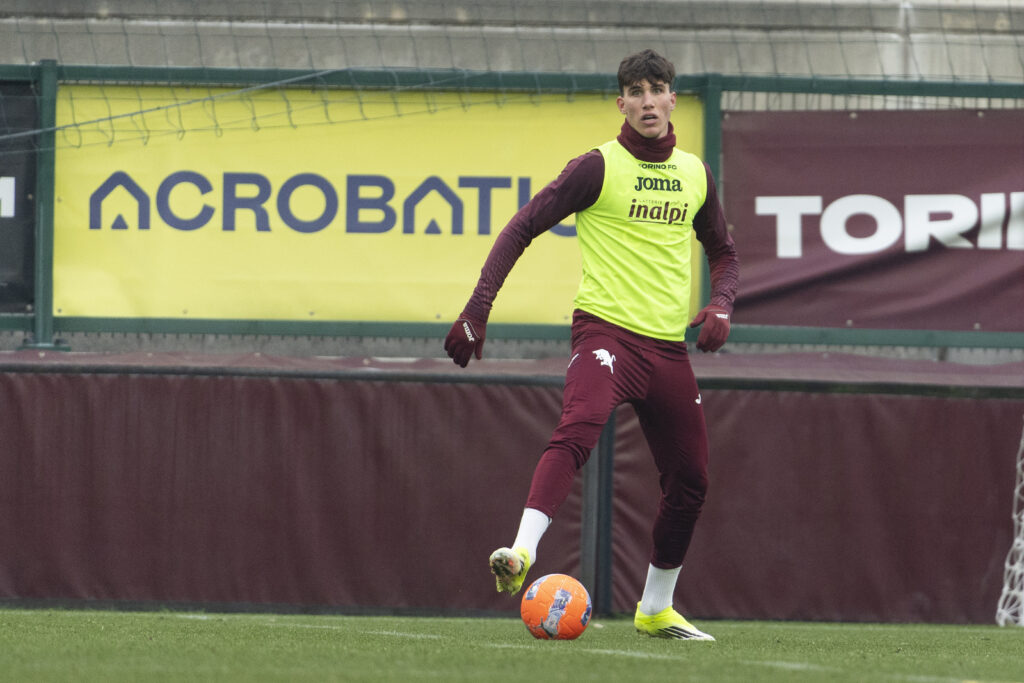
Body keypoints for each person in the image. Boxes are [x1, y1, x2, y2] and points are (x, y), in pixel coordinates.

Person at [443, 49, 739, 641]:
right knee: (577, 431)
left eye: (658, 89)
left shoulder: (695, 175)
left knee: (692, 481)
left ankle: (655, 608)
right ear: (622, 103)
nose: (648, 101)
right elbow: (522, 225)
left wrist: (722, 303)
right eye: (637, 91)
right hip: (605, 335)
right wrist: (478, 307)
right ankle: (522, 553)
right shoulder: (597, 168)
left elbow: (724, 253)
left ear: (673, 99)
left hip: (666, 350)